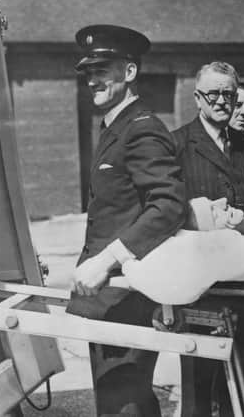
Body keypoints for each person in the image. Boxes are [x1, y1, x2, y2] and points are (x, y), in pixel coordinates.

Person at [70, 24, 186, 417]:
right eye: (89, 72)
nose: (92, 80)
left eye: (103, 69)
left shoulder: (142, 129)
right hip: (106, 297)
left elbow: (168, 206)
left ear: (130, 72)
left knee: (125, 406)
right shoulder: (115, 128)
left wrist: (104, 261)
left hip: (126, 297)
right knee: (117, 402)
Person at [172, 61, 244, 417]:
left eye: (229, 95)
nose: (222, 102)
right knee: (199, 387)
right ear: (197, 99)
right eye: (214, 94)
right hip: (201, 287)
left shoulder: (242, 145)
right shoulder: (178, 145)